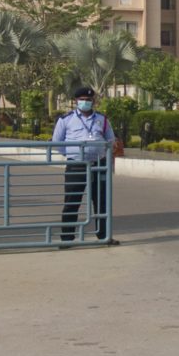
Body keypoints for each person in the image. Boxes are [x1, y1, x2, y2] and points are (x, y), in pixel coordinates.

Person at [51, 88, 116, 244]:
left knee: (101, 202)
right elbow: (57, 142)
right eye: (82, 99)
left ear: (93, 101)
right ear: (76, 101)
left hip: (99, 165)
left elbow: (111, 140)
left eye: (88, 100)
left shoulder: (102, 119)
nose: (85, 102)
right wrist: (73, 154)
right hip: (76, 165)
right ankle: (67, 238)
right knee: (72, 201)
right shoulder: (66, 119)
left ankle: (104, 237)